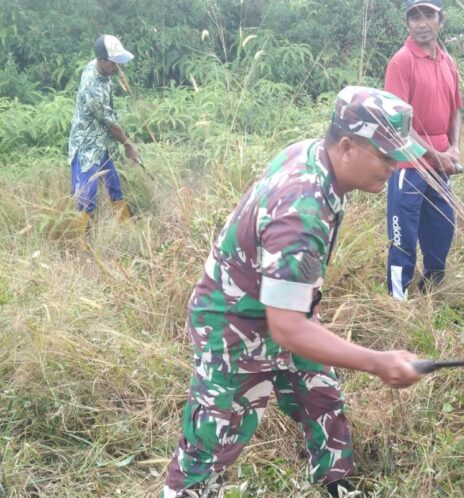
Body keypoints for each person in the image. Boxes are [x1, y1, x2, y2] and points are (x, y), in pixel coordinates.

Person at [162, 86, 425, 498]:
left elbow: (288, 317)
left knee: (320, 391)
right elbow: (285, 330)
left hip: (281, 308)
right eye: (386, 156)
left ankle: (336, 482)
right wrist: (378, 361)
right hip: (232, 322)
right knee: (212, 437)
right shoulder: (301, 213)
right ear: (346, 146)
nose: (394, 167)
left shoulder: (315, 155)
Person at [384, 0, 463, 299]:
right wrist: (434, 154)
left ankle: (431, 291)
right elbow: (399, 125)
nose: (421, 23)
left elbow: (457, 110)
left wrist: (454, 147)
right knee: (403, 236)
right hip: (409, 165)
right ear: (407, 24)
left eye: (428, 15)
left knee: (442, 230)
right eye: (414, 17)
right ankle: (398, 301)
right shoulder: (401, 62)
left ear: (440, 21)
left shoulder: (448, 61)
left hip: (441, 165)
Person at [68, 34, 140, 248]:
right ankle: (83, 246)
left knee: (114, 187)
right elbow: (111, 123)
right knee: (86, 197)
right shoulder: (93, 88)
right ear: (102, 60)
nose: (118, 67)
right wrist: (129, 146)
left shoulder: (96, 66)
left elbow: (108, 123)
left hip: (101, 143)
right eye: (114, 63)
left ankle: (127, 232)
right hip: (87, 146)